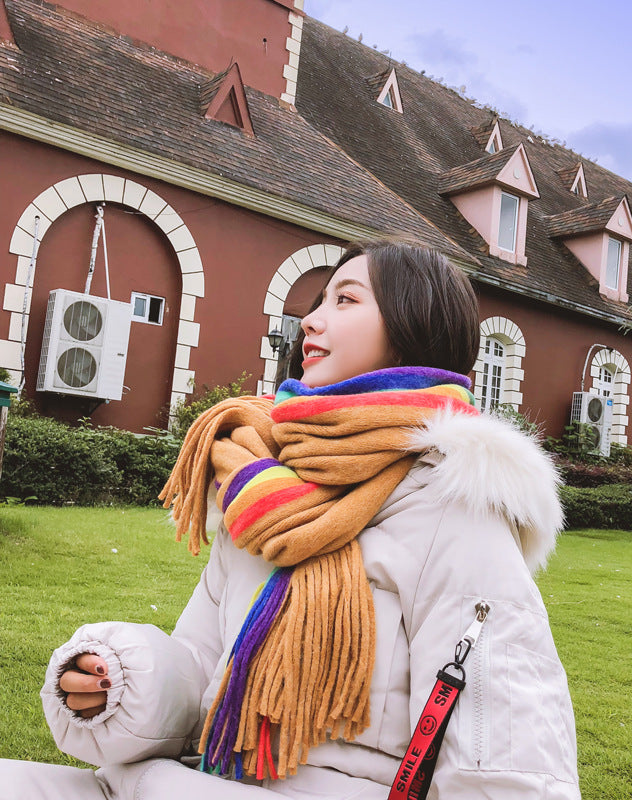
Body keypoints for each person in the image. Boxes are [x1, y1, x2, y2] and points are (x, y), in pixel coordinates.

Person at [1, 241, 581, 799]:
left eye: (346, 300)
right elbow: (203, 665)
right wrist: (119, 682)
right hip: (193, 775)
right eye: (318, 301)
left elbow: (503, 736)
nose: (310, 320)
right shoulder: (259, 485)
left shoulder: (453, 502)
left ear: (413, 327)